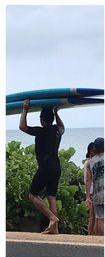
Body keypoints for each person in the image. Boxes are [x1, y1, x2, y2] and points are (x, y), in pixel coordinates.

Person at [19, 99, 65, 234]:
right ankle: (54, 229)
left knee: (32, 195)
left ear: (42, 119)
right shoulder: (58, 131)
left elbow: (22, 127)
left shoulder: (41, 131)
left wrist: (25, 109)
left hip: (45, 166)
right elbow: (63, 126)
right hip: (56, 166)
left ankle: (52, 218)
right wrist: (56, 113)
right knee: (52, 196)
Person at [85, 137, 104, 235]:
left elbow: (88, 180)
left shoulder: (90, 162)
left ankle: (100, 238)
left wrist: (87, 196)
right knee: (100, 217)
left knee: (99, 218)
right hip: (104, 191)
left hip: (97, 193)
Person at [84, 142, 96, 235]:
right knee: (93, 216)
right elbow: (88, 180)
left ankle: (91, 234)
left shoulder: (89, 162)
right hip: (93, 191)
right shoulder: (90, 162)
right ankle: (91, 234)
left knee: (94, 216)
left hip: (92, 191)